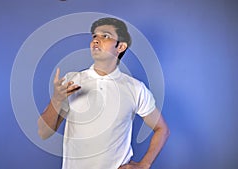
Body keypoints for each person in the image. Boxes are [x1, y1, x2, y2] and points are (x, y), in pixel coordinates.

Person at [38, 17, 170, 169]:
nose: (96, 40)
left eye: (105, 36)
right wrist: (56, 100)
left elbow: (162, 130)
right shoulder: (72, 81)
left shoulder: (135, 88)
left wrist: (144, 164)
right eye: (94, 36)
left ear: (120, 46)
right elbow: (43, 132)